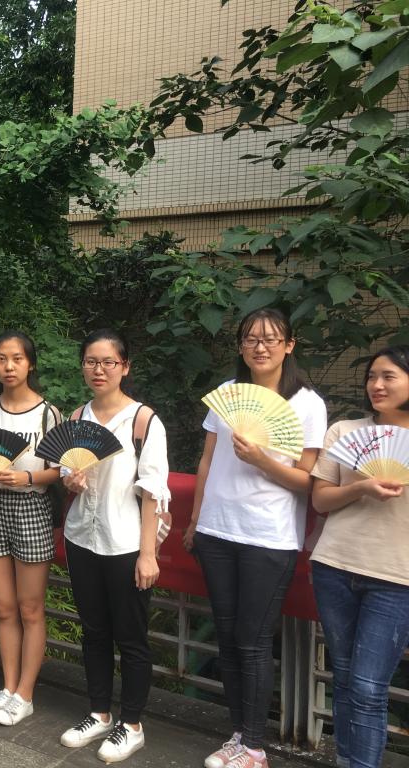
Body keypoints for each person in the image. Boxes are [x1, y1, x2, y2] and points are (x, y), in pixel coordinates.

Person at [184, 308, 327, 768]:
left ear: (290, 345)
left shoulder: (307, 403)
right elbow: (207, 462)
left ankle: (255, 747)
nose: (259, 347)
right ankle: (238, 736)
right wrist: (195, 520)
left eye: (270, 339)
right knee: (227, 638)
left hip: (268, 536)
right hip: (216, 531)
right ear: (241, 346)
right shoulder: (228, 393)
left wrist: (262, 459)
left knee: (253, 639)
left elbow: (308, 481)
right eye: (250, 339)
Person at [58, 330, 170, 762]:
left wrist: (148, 554)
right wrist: (72, 480)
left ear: (125, 367)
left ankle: (132, 723)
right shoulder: (76, 417)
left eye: (108, 362)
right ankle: (99, 713)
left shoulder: (143, 421)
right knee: (94, 631)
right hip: (82, 537)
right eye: (91, 361)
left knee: (132, 636)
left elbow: (153, 491)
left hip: (125, 542)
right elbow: (66, 473)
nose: (99, 370)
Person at [310, 345, 409, 768]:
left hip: (397, 577)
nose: (377, 385)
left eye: (389, 376)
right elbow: (320, 501)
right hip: (334, 565)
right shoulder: (345, 431)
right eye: (371, 376)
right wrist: (361, 488)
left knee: (369, 687)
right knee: (346, 678)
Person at [0, 330, 61, 726]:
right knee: (4, 607)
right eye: (1, 359)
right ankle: (8, 687)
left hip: (31, 508)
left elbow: (60, 469)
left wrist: (26, 478)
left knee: (30, 607)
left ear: (30, 364)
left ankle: (26, 694)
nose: (9, 366)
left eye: (17, 359)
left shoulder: (47, 413)